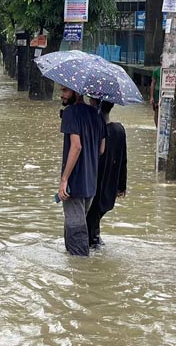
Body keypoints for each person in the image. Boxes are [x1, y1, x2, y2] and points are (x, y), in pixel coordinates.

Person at [57, 86, 106, 257]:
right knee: (76, 223)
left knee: (75, 228)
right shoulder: (97, 114)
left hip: (74, 182)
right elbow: (101, 149)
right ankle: (71, 262)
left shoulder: (70, 113)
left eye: (65, 91)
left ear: (76, 93)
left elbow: (76, 146)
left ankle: (81, 273)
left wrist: (64, 179)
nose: (61, 94)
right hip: (90, 182)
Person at [87, 99, 127, 249]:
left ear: (95, 105)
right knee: (94, 222)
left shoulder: (95, 131)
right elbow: (123, 160)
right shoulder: (119, 130)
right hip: (109, 186)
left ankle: (94, 250)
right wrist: (122, 186)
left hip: (93, 185)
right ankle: (96, 244)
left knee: (90, 223)